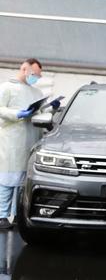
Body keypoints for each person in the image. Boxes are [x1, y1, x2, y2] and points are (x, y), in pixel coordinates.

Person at [0, 59, 59, 229]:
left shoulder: (35, 92)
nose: (36, 78)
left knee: (22, 182)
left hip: (30, 139)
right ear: (24, 69)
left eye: (38, 75)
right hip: (11, 140)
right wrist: (18, 113)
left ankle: (18, 214)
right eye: (34, 74)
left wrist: (51, 108)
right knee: (7, 180)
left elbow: (40, 111)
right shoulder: (7, 88)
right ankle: (2, 216)